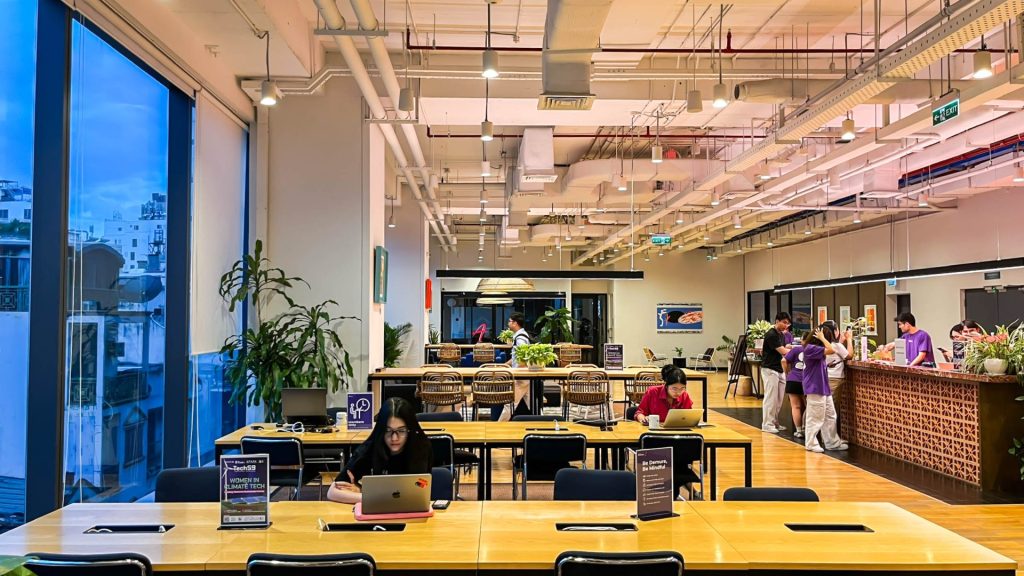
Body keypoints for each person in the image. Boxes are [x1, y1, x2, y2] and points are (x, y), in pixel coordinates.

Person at [326, 397, 432, 504]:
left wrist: (366, 492)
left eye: (401, 430)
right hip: (375, 515)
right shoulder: (369, 449)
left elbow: (422, 489)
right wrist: (366, 496)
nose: (394, 438)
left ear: (410, 430)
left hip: (411, 511)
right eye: (388, 430)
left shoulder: (420, 447)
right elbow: (332, 492)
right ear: (380, 430)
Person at [801, 327, 849, 453]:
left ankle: (832, 442)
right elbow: (831, 350)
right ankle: (811, 443)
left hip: (823, 386)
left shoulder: (816, 350)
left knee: (830, 415)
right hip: (815, 387)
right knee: (815, 416)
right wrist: (822, 337)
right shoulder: (811, 348)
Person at [760, 312, 792, 434]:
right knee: (770, 398)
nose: (786, 325)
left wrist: (790, 347)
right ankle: (767, 424)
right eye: (784, 322)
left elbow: (784, 347)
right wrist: (795, 350)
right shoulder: (771, 334)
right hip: (769, 369)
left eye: (788, 323)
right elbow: (783, 351)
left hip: (779, 369)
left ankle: (774, 422)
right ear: (777, 321)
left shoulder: (781, 335)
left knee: (778, 399)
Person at [499, 312, 532, 420]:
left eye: (509, 321)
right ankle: (543, 423)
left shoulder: (520, 338)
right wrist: (506, 365)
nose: (508, 323)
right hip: (524, 375)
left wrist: (517, 371)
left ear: (515, 323)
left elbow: (523, 356)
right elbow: (516, 357)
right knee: (532, 404)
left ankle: (498, 427)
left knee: (510, 404)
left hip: (520, 376)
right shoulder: (520, 335)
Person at [782, 342, 805, 439]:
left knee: (795, 407)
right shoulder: (814, 349)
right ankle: (806, 428)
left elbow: (783, 360)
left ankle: (799, 430)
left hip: (793, 379)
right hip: (806, 380)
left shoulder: (796, 349)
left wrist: (787, 373)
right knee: (809, 406)